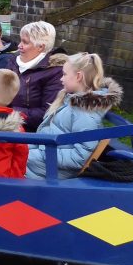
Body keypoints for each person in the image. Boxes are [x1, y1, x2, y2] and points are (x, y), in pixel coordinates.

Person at [25, 52, 123, 180]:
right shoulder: (70, 102)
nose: (61, 79)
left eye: (64, 74)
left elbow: (79, 157)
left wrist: (35, 154)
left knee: (4, 161)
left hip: (52, 170)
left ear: (78, 76)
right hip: (45, 158)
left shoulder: (85, 112)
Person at [10, 21, 67, 131]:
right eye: (20, 40)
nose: (19, 46)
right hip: (4, 121)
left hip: (30, 132)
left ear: (40, 47)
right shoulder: (13, 61)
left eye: (25, 42)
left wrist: (7, 111)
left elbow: (46, 113)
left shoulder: (55, 72)